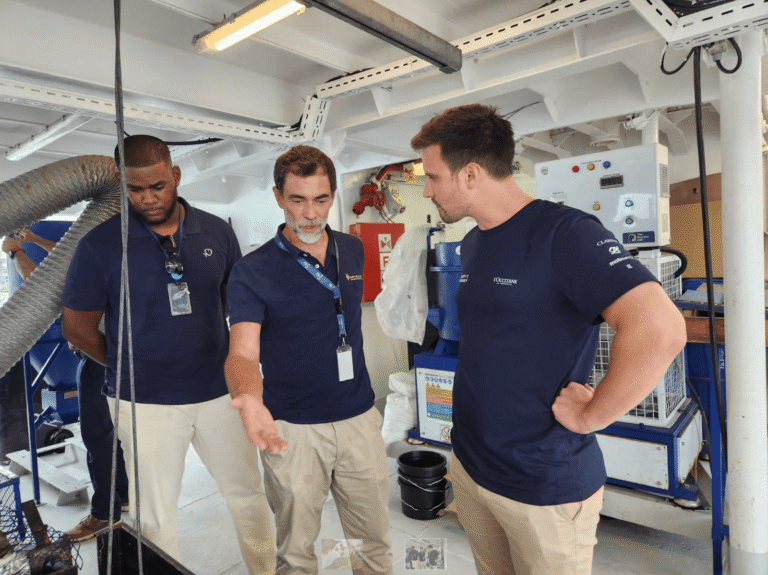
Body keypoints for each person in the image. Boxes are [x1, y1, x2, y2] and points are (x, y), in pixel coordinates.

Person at [410, 104, 688, 575]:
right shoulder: (474, 242)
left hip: (542, 484)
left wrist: (593, 414)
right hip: (474, 469)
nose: (426, 190)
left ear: (470, 174)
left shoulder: (566, 233)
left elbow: (660, 328)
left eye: (433, 177)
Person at [61, 135, 275, 573]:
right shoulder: (99, 245)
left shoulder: (216, 231)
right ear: (121, 184)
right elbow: (78, 329)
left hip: (219, 393)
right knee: (155, 516)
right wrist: (129, 366)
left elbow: (235, 304)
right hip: (145, 403)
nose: (148, 198)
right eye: (135, 189)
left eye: (157, 186)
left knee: (248, 495)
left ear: (175, 175)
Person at [224, 145, 392, 575]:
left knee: (371, 545)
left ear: (333, 195)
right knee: (297, 554)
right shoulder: (252, 270)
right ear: (279, 197)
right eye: (297, 200)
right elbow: (242, 352)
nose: (311, 214)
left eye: (321, 199)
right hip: (293, 430)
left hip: (359, 419)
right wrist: (249, 398)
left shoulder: (352, 250)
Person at [2, 228, 130, 541]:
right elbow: (71, 254)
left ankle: (104, 513)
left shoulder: (91, 271)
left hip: (99, 358)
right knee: (111, 431)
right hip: (121, 353)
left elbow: (39, 286)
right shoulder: (112, 257)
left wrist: (15, 251)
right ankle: (123, 493)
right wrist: (35, 240)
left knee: (97, 435)